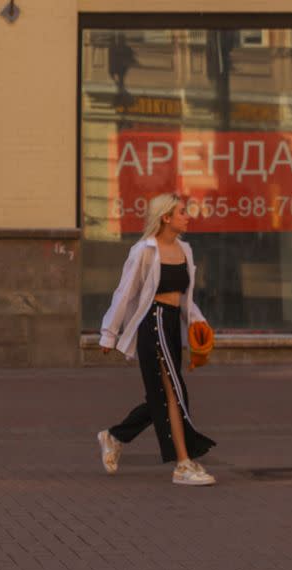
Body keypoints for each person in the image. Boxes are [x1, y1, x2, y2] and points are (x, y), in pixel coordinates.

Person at [97, 193, 217, 486]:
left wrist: (199, 322)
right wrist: (108, 333)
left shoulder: (184, 250)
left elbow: (185, 298)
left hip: (173, 324)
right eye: (181, 212)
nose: (187, 216)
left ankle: (114, 436)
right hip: (154, 324)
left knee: (162, 397)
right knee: (175, 393)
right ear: (166, 217)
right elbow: (124, 293)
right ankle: (183, 464)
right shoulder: (144, 251)